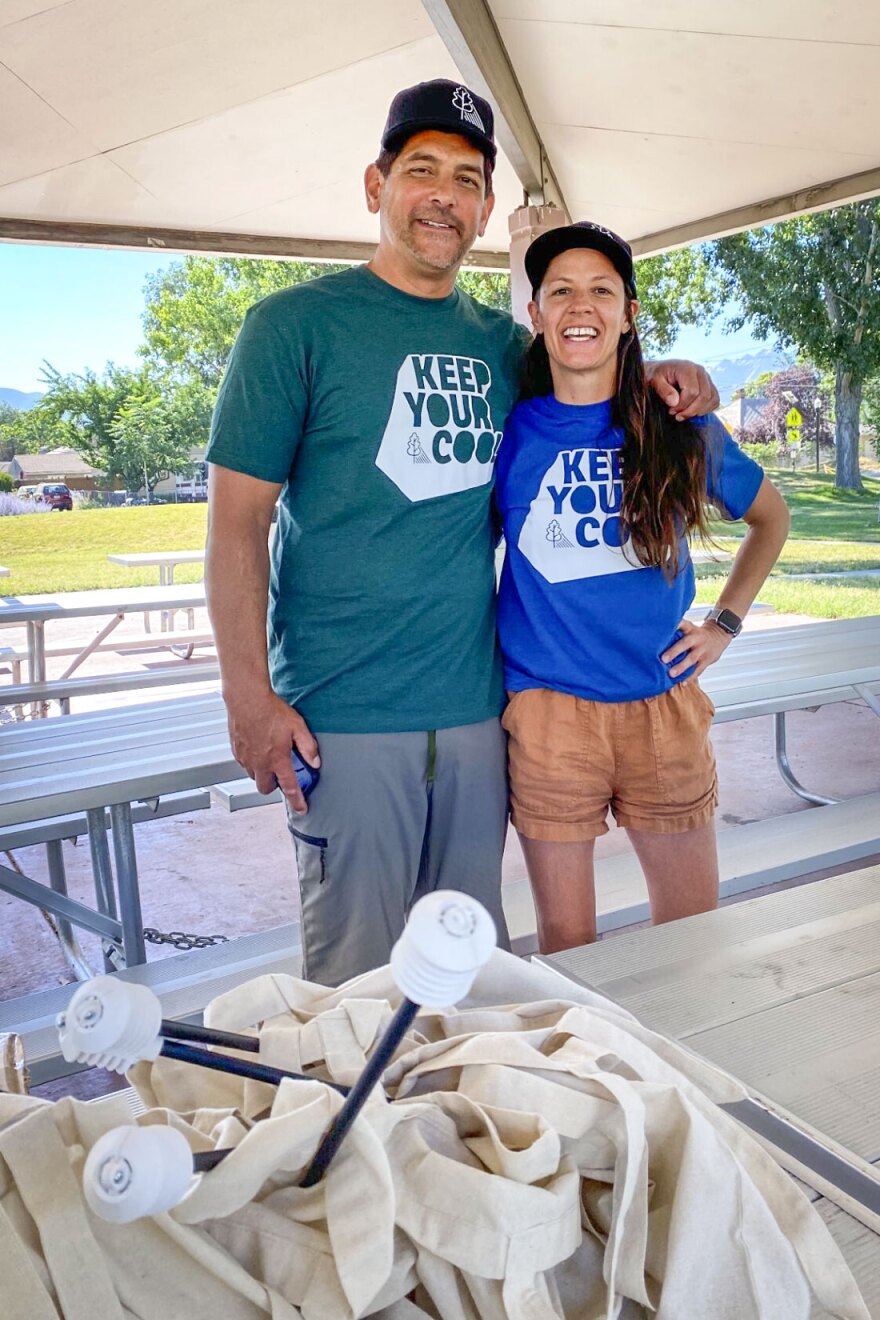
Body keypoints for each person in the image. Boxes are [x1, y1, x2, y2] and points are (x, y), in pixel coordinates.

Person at [205, 80, 720, 986]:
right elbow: (238, 520)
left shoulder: (504, 348)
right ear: (377, 186)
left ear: (486, 209)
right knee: (358, 989)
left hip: (481, 711)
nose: (444, 193)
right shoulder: (292, 327)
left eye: (467, 177)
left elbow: (591, 370)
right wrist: (249, 697)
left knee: (471, 971)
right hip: (344, 714)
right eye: (422, 170)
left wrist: (671, 372)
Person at [495, 222, 790, 954]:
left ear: (629, 312)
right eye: (559, 291)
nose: (579, 306)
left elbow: (770, 518)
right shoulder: (509, 433)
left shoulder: (679, 424)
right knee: (569, 947)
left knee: (693, 938)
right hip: (550, 715)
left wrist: (724, 623)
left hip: (663, 705)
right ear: (535, 314)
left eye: (601, 290)